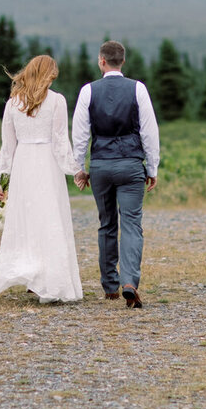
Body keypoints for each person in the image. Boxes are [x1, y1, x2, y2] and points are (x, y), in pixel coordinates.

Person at [72, 40, 160, 309]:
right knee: (132, 224)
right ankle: (130, 282)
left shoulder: (88, 91)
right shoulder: (138, 89)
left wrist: (80, 168)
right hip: (131, 165)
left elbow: (80, 133)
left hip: (100, 165)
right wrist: (152, 167)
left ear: (101, 61)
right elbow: (149, 131)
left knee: (106, 224)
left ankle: (110, 285)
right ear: (123, 61)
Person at [0, 55, 83, 303]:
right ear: (47, 75)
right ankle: (47, 280)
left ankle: (35, 278)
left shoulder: (13, 103)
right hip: (47, 164)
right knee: (49, 218)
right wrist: (76, 170)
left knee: (27, 220)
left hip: (23, 163)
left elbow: (7, 146)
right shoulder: (57, 101)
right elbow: (61, 141)